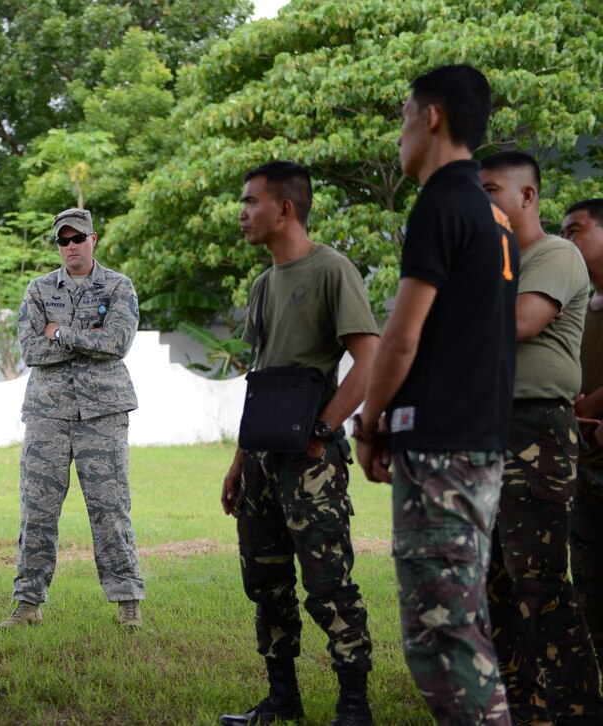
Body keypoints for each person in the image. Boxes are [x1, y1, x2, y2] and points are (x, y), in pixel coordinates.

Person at [354, 64, 518, 725]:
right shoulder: (493, 213)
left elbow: (400, 337)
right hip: (477, 442)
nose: (399, 135)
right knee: (460, 625)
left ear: (431, 117)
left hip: (443, 450)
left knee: (443, 640)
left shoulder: (441, 203)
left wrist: (369, 423)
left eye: (402, 118)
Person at [218, 161, 379, 726]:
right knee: (266, 583)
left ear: (284, 208)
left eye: (251, 201)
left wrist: (323, 431)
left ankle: (354, 707)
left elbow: (369, 360)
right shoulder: (263, 284)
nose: (242, 212)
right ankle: (282, 698)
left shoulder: (332, 269)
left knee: (328, 582)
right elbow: (261, 376)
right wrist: (239, 461)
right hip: (262, 455)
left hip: (310, 460)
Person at [479, 152, 602, 724]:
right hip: (483, 431)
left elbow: (521, 321)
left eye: (490, 191)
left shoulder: (555, 253)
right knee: (491, 585)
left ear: (527, 197)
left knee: (539, 582)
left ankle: (578, 710)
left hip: (534, 429)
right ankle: (523, 711)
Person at [0, 207, 145, 630]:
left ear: (93, 239)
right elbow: (31, 350)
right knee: (37, 510)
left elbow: (117, 343)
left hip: (103, 413)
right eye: (63, 241)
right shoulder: (39, 289)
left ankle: (127, 601)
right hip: (47, 414)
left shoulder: (118, 286)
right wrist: (87, 339)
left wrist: (59, 332)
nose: (71, 246)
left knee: (110, 509)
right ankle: (28, 603)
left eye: (78, 238)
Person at [564, 198, 603, 665]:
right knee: (591, 595)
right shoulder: (578, 305)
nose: (566, 240)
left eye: (575, 230)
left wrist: (585, 406)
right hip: (583, 469)